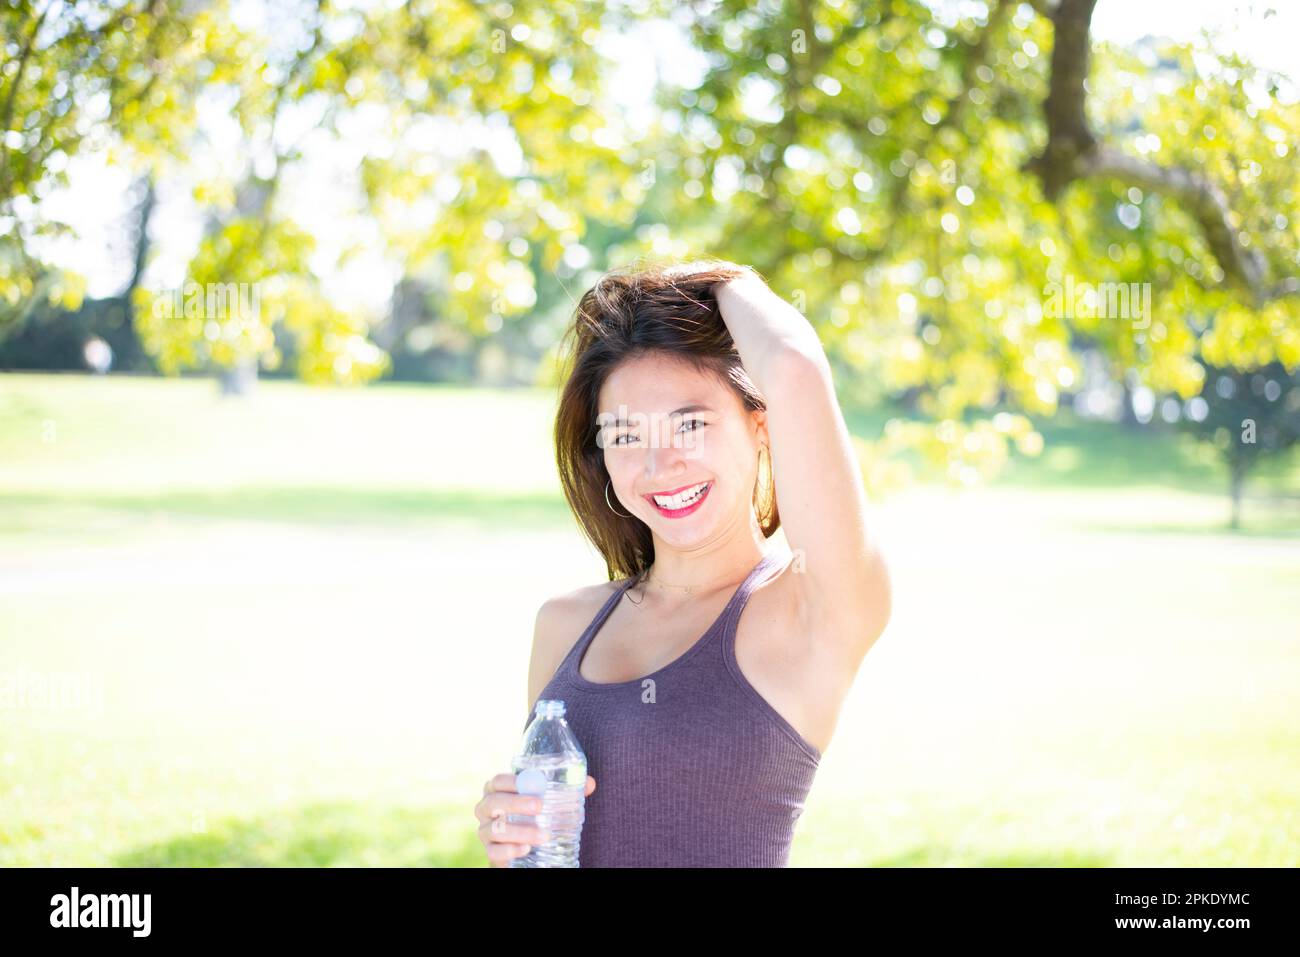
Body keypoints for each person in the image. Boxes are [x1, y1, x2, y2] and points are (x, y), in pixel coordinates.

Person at [475, 259, 892, 866]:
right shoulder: (563, 625)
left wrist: (729, 281)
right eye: (624, 434)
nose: (658, 464)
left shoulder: (809, 610)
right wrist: (512, 836)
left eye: (689, 424)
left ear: (760, 425)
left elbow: (795, 368)